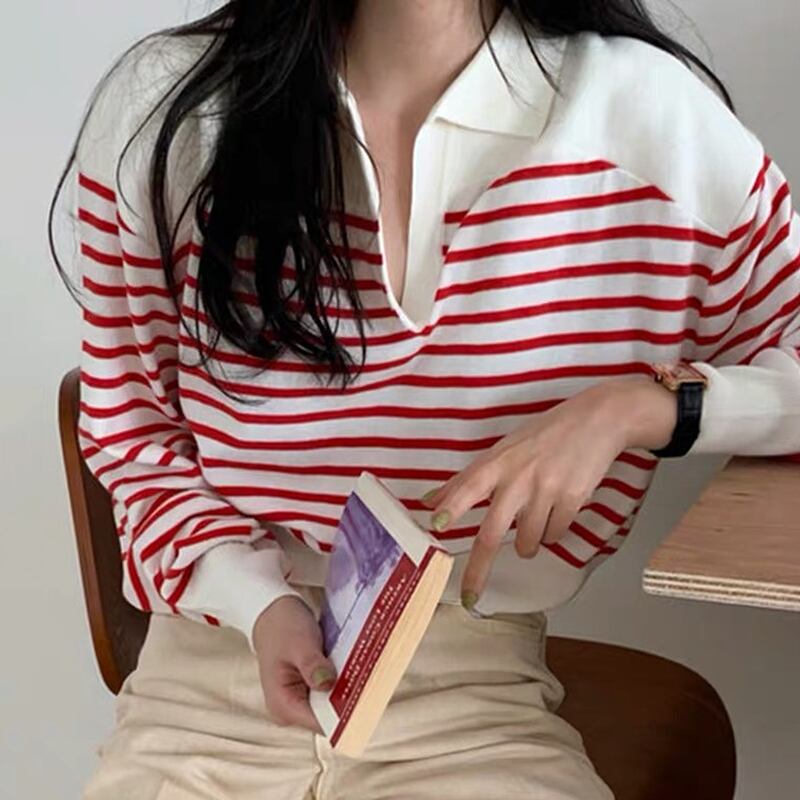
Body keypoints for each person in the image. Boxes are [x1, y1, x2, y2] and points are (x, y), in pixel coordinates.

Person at [50, 1, 800, 798]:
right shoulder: (170, 112)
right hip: (203, 693)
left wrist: (640, 409)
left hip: (472, 697)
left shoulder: (654, 123)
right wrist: (258, 602)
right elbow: (131, 435)